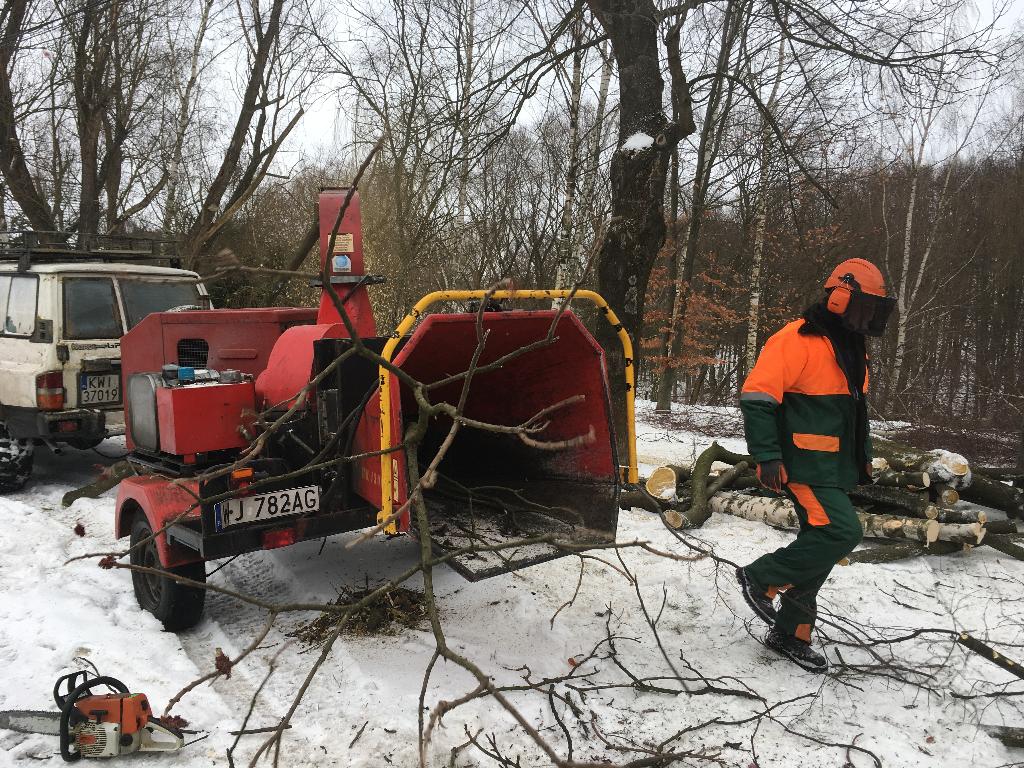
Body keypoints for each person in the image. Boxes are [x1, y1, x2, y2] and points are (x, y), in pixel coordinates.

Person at [734, 258, 896, 672]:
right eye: (865, 306)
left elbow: (853, 414)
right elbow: (757, 398)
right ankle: (762, 577)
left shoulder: (850, 348)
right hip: (802, 462)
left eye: (875, 309)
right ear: (841, 298)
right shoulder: (796, 339)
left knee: (818, 548)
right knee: (841, 531)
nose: (869, 317)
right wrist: (767, 456)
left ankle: (791, 632)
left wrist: (863, 459)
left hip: (832, 467)